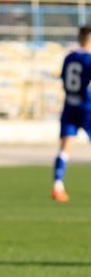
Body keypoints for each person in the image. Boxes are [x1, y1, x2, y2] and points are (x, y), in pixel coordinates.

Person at [52, 25, 91, 201]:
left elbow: (64, 80)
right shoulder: (89, 59)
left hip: (69, 105)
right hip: (87, 107)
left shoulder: (69, 57)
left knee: (65, 148)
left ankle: (58, 186)